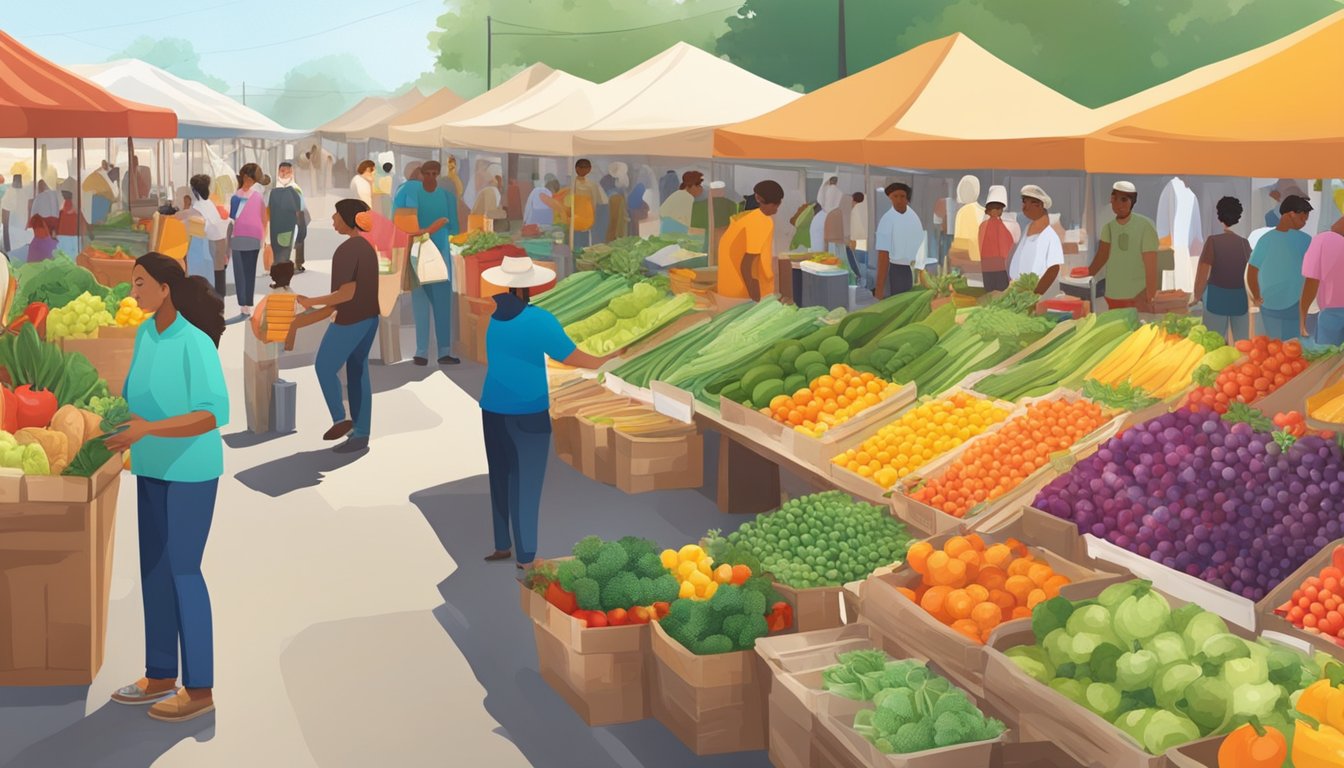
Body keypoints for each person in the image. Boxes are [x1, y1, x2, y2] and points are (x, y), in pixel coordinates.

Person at [106, 253, 227, 723]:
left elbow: (211, 413)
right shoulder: (145, 334)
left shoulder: (194, 343)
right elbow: (134, 397)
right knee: (153, 571)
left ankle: (199, 688)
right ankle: (159, 674)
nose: (132, 293)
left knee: (184, 573)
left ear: (165, 289)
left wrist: (148, 431)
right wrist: (116, 425)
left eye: (139, 284)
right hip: (151, 470)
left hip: (192, 472)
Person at [478, 254, 613, 567]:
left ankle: (502, 544)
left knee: (500, 476)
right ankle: (526, 557)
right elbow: (570, 356)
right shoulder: (538, 319)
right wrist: (609, 359)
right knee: (526, 481)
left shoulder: (495, 316)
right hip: (528, 411)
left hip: (493, 407)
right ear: (527, 287)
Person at [300, 201, 381, 452]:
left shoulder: (348, 250)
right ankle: (361, 433)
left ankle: (340, 418)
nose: (333, 219)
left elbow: (346, 293)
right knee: (358, 372)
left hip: (352, 319)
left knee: (324, 366)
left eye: (336, 215)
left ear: (348, 218)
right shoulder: (366, 247)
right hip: (369, 317)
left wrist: (312, 302)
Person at [394, 160, 459, 366]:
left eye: (434, 173)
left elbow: (455, 228)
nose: (430, 177)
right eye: (427, 173)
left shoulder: (447, 198)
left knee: (442, 304)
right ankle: (421, 351)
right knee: (420, 302)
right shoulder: (411, 194)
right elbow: (402, 224)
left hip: (440, 257)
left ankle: (443, 351)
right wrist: (434, 228)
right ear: (421, 174)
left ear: (438, 175)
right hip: (419, 254)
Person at [1248, 195, 1313, 340]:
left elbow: (1252, 271)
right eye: (1303, 218)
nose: (1304, 223)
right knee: (1291, 350)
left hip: (1273, 304)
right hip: (1290, 304)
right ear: (1290, 214)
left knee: (1273, 350)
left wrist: (1256, 296)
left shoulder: (1265, 240)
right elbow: (1312, 276)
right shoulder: (1305, 240)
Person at [1088, 181, 1160, 311]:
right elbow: (1101, 257)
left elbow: (1151, 264)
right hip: (1112, 296)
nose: (1118, 204)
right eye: (1115, 199)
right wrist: (1086, 275)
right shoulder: (1108, 228)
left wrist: (1151, 296)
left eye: (1124, 200)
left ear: (1132, 201)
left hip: (1137, 296)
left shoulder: (1145, 226)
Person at [1190, 197, 1253, 343]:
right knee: (1242, 343)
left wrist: (1197, 296)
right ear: (1239, 216)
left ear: (1220, 216)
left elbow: (1203, 272)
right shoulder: (1244, 243)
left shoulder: (1213, 241)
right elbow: (1250, 273)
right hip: (1239, 299)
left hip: (1216, 298)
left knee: (1213, 342)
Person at [717, 180, 783, 301]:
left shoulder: (742, 219)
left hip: (728, 290)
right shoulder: (761, 221)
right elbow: (748, 265)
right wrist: (755, 299)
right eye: (773, 205)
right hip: (744, 294)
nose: (776, 209)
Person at [229, 164, 270, 317]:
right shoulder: (257, 197)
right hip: (252, 236)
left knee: (242, 272)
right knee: (248, 272)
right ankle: (246, 304)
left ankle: (245, 305)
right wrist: (263, 238)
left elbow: (232, 219)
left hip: (240, 236)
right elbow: (264, 219)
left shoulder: (236, 197)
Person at [1008, 185, 1063, 296]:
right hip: (1018, 293)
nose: (1024, 207)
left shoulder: (1050, 236)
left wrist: (1035, 294)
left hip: (1036, 296)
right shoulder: (1027, 229)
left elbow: (1053, 269)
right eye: (1024, 202)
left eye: (1029, 203)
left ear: (1040, 205)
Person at [875, 183, 927, 299]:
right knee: (897, 303)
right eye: (895, 196)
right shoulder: (887, 220)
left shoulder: (914, 218)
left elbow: (921, 245)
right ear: (890, 198)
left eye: (902, 196)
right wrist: (879, 289)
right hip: (895, 270)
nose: (899, 200)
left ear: (907, 199)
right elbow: (883, 255)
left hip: (915, 269)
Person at [1300, 213, 1344, 345]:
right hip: (1331, 313)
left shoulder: (1324, 240)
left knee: (1328, 359)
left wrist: (1302, 316)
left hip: (1332, 312)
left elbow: (1311, 282)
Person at [185, 175, 230, 298]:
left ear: (194, 190)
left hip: (210, 242)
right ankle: (219, 300)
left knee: (209, 274)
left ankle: (215, 300)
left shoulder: (199, 206)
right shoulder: (208, 202)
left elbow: (187, 216)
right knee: (218, 272)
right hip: (219, 240)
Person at [268, 162, 306, 265]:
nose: (284, 174)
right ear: (278, 172)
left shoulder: (295, 190)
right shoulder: (273, 190)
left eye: (288, 172)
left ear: (292, 173)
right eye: (282, 171)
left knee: (284, 258)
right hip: (275, 229)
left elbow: (300, 211)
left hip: (289, 229)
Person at [979, 185, 1016, 292]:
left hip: (986, 266)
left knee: (989, 293)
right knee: (1000, 294)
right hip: (999, 266)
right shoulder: (999, 226)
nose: (1000, 211)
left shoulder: (983, 225)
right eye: (999, 209)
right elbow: (1006, 247)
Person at [570, 159, 605, 249]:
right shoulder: (571, 184)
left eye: (586, 168)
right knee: (574, 244)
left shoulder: (592, 185)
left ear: (589, 169)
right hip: (573, 221)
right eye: (581, 167)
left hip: (587, 220)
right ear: (576, 169)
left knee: (584, 245)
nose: (584, 170)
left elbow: (598, 202)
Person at [470, 164, 506, 234]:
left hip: (480, 231)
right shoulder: (490, 190)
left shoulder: (491, 190)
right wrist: (504, 213)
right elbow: (489, 214)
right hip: (479, 232)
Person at [1, 174, 30, 253]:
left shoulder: (10, 194)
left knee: (11, 251)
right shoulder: (23, 194)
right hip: (20, 228)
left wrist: (5, 227)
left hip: (12, 229)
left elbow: (5, 214)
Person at [847, 192, 869, 287]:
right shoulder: (864, 209)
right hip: (863, 244)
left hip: (853, 242)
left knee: (854, 263)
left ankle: (858, 278)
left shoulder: (854, 211)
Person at [56, 188, 86, 255]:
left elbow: (56, 225)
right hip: (74, 237)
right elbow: (83, 226)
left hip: (63, 237)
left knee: (63, 258)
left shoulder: (60, 213)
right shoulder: (77, 212)